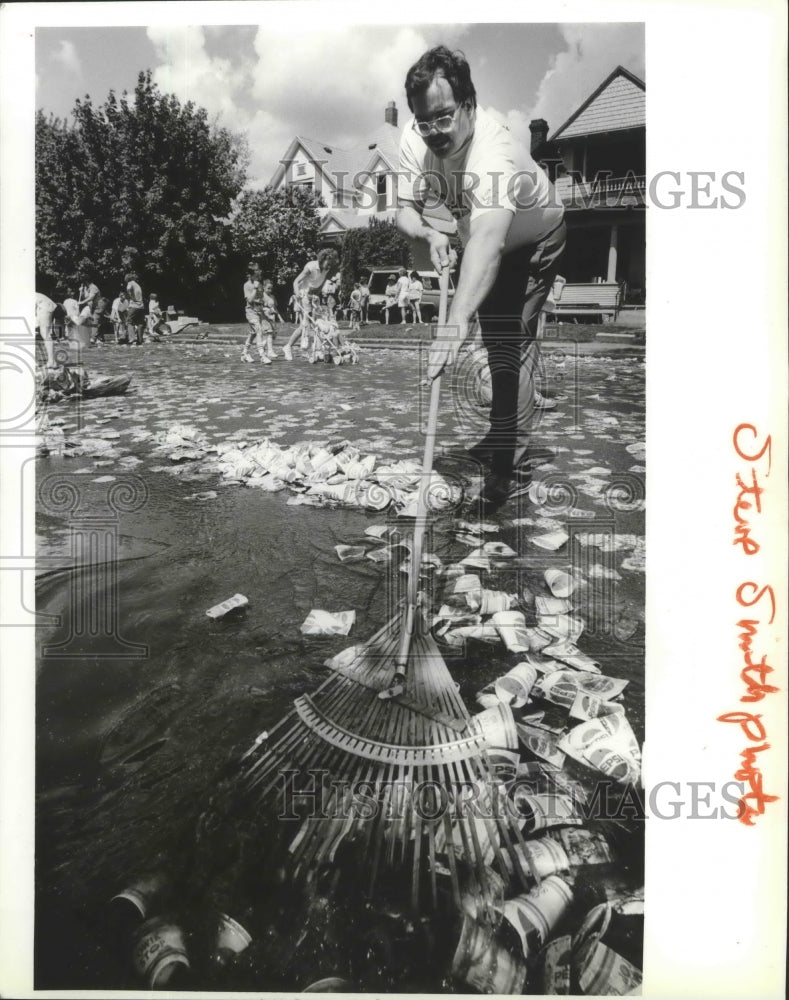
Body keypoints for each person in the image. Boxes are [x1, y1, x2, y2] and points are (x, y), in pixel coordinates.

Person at [397, 45, 566, 510]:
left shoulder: (494, 148)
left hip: (535, 238)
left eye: (444, 117)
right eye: (424, 121)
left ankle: (510, 459)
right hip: (485, 239)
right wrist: (430, 234)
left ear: (469, 106)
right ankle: (499, 434)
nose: (433, 131)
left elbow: (490, 240)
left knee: (511, 341)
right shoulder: (416, 138)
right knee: (494, 339)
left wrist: (453, 323)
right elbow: (403, 211)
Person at [283, 248, 340, 360]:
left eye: (331, 264)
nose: (329, 266)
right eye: (328, 263)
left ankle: (317, 350)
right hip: (303, 295)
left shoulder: (326, 269)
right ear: (323, 259)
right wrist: (297, 293)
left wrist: (317, 295)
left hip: (313, 296)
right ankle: (288, 347)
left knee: (318, 324)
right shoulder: (311, 267)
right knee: (305, 325)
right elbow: (296, 281)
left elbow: (319, 283)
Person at [241, 264, 272, 364]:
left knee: (253, 333)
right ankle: (262, 356)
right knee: (258, 330)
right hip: (251, 312)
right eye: (257, 271)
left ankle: (244, 354)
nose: (260, 273)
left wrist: (268, 303)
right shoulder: (247, 285)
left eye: (259, 271)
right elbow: (249, 299)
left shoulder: (260, 284)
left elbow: (262, 297)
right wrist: (254, 288)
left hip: (259, 311)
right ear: (251, 274)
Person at [35, 292, 57, 368]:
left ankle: (52, 362)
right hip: (43, 306)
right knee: (44, 333)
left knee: (45, 334)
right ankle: (51, 361)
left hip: (44, 306)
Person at [125, 272, 145, 346]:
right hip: (141, 306)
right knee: (140, 323)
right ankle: (140, 341)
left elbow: (128, 288)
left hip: (134, 305)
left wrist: (130, 295)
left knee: (129, 321)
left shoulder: (130, 283)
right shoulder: (137, 284)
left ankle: (132, 338)